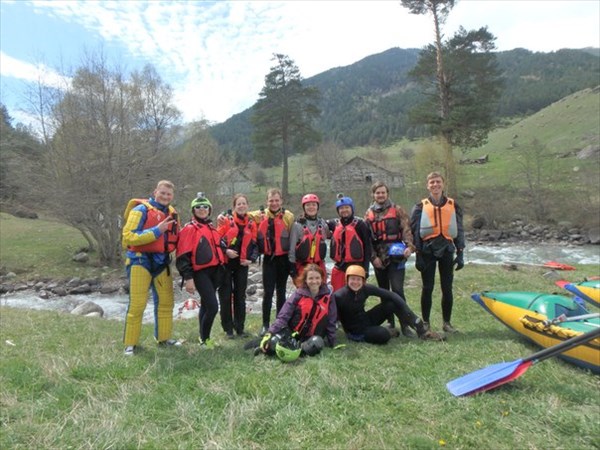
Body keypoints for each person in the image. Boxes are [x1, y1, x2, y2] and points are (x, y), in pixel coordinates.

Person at [121, 180, 181, 356]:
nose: (165, 196)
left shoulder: (172, 213)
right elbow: (128, 236)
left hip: (162, 262)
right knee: (137, 305)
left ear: (172, 196)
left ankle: (164, 338)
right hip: (140, 262)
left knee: (166, 303)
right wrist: (156, 231)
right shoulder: (140, 210)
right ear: (155, 192)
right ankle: (130, 344)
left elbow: (178, 236)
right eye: (162, 193)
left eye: (168, 194)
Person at [410, 172, 465, 334]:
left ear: (443, 184)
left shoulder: (453, 205)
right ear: (427, 186)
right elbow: (415, 233)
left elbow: (459, 230)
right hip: (427, 250)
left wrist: (460, 252)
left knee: (447, 288)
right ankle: (426, 322)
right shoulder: (420, 207)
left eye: (438, 182)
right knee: (427, 288)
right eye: (432, 182)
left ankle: (446, 323)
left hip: (447, 249)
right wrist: (418, 255)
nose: (435, 185)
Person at [332, 265, 443, 345]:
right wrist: (330, 338)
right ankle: (388, 332)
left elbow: (391, 295)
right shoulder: (339, 296)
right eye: (352, 279)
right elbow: (329, 318)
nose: (355, 282)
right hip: (355, 331)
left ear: (363, 281)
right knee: (383, 335)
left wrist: (413, 317)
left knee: (390, 304)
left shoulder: (365, 289)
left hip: (366, 320)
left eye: (358, 279)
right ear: (347, 280)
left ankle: (422, 331)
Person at [364, 181, 416, 337]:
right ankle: (390, 322)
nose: (380, 195)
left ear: (387, 194)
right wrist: (373, 258)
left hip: (396, 257)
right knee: (384, 292)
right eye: (377, 193)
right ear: (373, 195)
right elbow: (367, 239)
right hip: (380, 259)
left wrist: (409, 247)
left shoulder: (397, 210)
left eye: (383, 192)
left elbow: (406, 229)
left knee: (398, 290)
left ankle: (405, 324)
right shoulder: (368, 214)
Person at [176, 193, 226, 348]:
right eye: (198, 207)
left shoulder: (210, 227)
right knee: (212, 306)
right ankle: (205, 340)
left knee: (205, 305)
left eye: (205, 207)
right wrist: (188, 278)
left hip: (215, 271)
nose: (202, 209)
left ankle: (202, 337)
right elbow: (183, 256)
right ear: (193, 210)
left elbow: (217, 246)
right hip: (200, 273)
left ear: (209, 210)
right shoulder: (189, 229)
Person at [259, 263, 337, 357]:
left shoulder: (329, 296)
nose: (314, 281)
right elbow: (283, 316)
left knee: (318, 342)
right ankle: (290, 349)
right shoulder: (298, 294)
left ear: (322, 279)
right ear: (305, 280)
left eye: (317, 278)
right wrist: (270, 333)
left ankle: (295, 350)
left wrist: (332, 341)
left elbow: (331, 321)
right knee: (272, 343)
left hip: (311, 337)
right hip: (292, 333)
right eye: (311, 278)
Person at [253, 188, 295, 336]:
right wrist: (223, 216)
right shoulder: (259, 216)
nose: (274, 203)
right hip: (269, 260)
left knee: (281, 292)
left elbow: (292, 238)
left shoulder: (288, 216)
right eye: (271, 200)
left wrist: (292, 261)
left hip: (283, 260)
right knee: (268, 293)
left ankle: (280, 322)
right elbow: (242, 215)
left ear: (281, 201)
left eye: (277, 200)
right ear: (267, 202)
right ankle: (265, 324)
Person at [217, 194, 258, 339]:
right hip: (226, 264)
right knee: (225, 296)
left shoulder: (251, 224)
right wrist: (226, 251)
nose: (241, 206)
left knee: (240, 296)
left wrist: (251, 259)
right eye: (238, 204)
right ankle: (228, 329)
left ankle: (240, 328)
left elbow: (255, 245)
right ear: (234, 206)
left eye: (243, 203)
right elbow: (216, 240)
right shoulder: (226, 221)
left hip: (242, 265)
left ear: (247, 206)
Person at [329, 195, 372, 293]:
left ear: (352, 208)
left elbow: (367, 247)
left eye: (347, 207)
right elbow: (319, 224)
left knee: (354, 296)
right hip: (339, 266)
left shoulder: (361, 224)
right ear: (338, 211)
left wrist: (366, 269)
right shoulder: (334, 224)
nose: (344, 210)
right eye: (341, 208)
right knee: (337, 295)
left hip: (356, 265)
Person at [288, 194, 330, 285]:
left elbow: (329, 237)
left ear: (317, 207)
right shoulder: (297, 225)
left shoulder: (323, 224)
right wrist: (292, 267)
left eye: (314, 205)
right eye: (308, 205)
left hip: (319, 265)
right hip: (303, 265)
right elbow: (291, 248)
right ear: (304, 208)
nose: (311, 207)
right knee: (304, 295)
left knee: (321, 293)